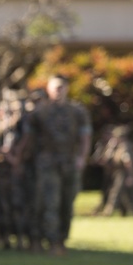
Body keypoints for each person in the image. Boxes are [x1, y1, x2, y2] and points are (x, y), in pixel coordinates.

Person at [22, 75, 91, 255]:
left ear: (67, 88)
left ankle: (61, 239)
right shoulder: (39, 112)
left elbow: (85, 137)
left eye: (61, 87)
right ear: (48, 89)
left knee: (67, 203)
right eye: (54, 87)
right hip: (47, 163)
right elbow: (28, 139)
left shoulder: (77, 111)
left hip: (69, 163)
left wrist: (82, 158)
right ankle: (48, 241)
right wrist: (19, 158)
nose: (58, 91)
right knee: (48, 202)